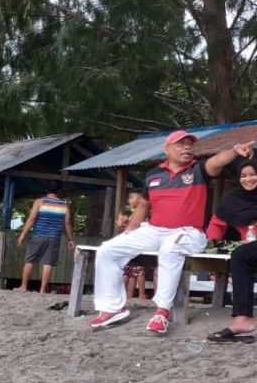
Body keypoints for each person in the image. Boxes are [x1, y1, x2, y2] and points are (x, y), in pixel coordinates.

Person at [90, 133, 253, 333]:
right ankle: (112, 308)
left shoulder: (198, 169)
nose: (187, 148)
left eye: (190, 145)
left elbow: (217, 160)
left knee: (170, 248)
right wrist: (127, 235)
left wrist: (235, 150)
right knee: (107, 250)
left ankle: (162, 311)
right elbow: (143, 207)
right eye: (181, 144)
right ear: (167, 149)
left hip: (188, 233)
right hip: (155, 230)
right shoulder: (153, 174)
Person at [207, 160, 257, 342]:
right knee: (242, 256)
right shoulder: (232, 199)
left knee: (241, 255)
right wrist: (212, 257)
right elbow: (216, 225)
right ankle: (243, 319)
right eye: (243, 176)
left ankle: (243, 319)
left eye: (253, 174)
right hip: (250, 247)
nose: (248, 179)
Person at [16, 183, 76, 294]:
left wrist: (23, 235)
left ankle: (23, 287)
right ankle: (42, 290)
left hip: (38, 235)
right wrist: (70, 240)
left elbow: (32, 218)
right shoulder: (64, 205)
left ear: (46, 191)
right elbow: (67, 223)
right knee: (48, 263)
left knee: (30, 260)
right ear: (58, 192)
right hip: (54, 238)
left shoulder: (40, 202)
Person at [116, 191, 149, 301]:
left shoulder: (143, 210)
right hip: (130, 242)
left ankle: (142, 294)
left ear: (140, 199)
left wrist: (125, 223)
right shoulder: (134, 212)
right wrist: (123, 224)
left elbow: (138, 227)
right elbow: (128, 228)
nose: (129, 200)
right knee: (130, 271)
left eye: (132, 197)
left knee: (139, 269)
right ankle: (128, 295)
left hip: (139, 242)